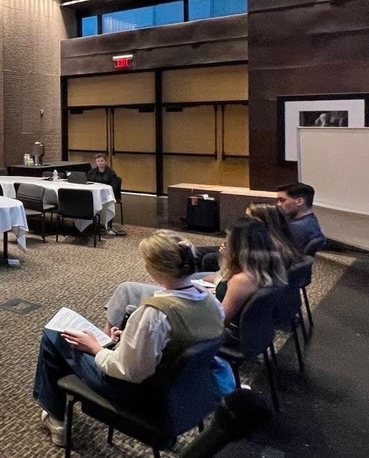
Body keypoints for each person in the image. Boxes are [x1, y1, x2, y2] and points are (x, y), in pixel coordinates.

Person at [35, 231, 226, 447]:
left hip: (140, 393)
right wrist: (125, 340)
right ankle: (61, 403)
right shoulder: (212, 303)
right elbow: (176, 344)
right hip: (186, 387)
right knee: (77, 342)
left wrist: (96, 348)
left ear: (153, 268)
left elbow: (128, 371)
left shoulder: (154, 315)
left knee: (55, 336)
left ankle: (57, 419)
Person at [106, 218, 287, 331]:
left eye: (229, 239)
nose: (224, 242)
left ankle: (105, 340)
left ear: (240, 244)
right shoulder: (264, 266)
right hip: (210, 311)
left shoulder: (243, 280)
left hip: (208, 326)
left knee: (126, 289)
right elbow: (221, 283)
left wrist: (203, 297)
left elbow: (220, 320)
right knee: (187, 281)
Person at [276, 182, 325, 253]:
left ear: (299, 201)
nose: (278, 204)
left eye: (282, 200)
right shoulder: (310, 221)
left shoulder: (297, 228)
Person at [86, 154, 125, 236]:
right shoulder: (91, 172)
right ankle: (88, 224)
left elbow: (113, 187)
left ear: (105, 162)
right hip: (94, 194)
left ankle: (107, 225)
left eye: (101, 161)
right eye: (98, 161)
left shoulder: (111, 173)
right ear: (95, 162)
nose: (100, 163)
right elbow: (87, 182)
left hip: (107, 195)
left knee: (106, 203)